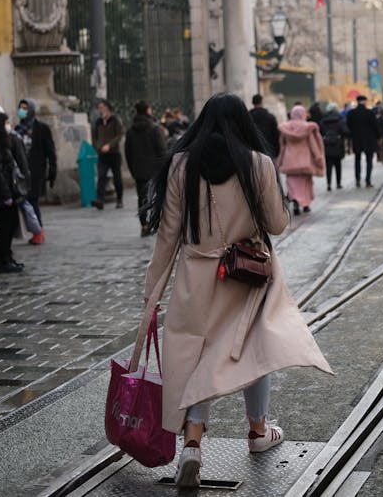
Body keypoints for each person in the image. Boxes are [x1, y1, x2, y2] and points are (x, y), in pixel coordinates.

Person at [141, 93, 331, 488]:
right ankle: (258, 431)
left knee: (197, 356)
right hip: (244, 275)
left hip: (195, 277)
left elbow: (167, 234)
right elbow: (278, 224)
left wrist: (153, 289)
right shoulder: (257, 163)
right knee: (253, 348)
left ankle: (192, 443)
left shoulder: (181, 164)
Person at [0, 112, 29, 273]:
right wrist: (6, 195)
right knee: (6, 226)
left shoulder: (3, 141)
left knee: (11, 223)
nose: (8, 125)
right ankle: (3, 260)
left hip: (8, 189)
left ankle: (8, 257)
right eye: (6, 122)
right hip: (1, 191)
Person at [15, 99, 57, 244]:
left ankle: (38, 231)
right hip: (22, 172)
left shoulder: (42, 128)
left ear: (31, 110)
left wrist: (52, 169)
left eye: (25, 108)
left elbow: (50, 151)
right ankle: (35, 230)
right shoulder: (17, 129)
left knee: (32, 200)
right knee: (24, 201)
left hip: (36, 171)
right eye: (20, 108)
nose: (22, 111)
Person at [124, 100, 166, 236]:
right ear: (148, 111)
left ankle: (144, 224)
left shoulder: (130, 131)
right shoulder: (154, 129)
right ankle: (156, 222)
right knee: (156, 197)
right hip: (154, 170)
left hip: (138, 170)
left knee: (141, 197)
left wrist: (133, 170)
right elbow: (161, 150)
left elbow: (128, 153)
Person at [278, 104, 325, 215]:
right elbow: (313, 145)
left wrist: (280, 161)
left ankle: (294, 201)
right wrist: (318, 159)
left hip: (290, 162)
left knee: (292, 183)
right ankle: (306, 204)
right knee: (305, 184)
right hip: (305, 161)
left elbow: (282, 145)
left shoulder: (286, 128)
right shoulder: (308, 128)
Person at [91, 99, 124, 210]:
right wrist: (98, 147)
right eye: (99, 108)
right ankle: (100, 199)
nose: (100, 110)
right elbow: (95, 137)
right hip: (102, 154)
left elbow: (119, 135)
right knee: (101, 176)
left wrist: (109, 145)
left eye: (102, 107)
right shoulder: (98, 122)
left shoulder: (115, 120)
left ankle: (119, 199)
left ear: (107, 108)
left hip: (114, 153)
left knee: (117, 177)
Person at [346, 95, 380, 188]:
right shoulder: (370, 113)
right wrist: (378, 137)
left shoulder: (351, 113)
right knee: (369, 161)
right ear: (365, 101)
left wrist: (350, 138)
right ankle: (368, 181)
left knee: (357, 160)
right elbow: (375, 126)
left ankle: (357, 180)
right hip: (369, 140)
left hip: (356, 140)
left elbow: (348, 127)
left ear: (357, 102)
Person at [319, 102, 349, 191]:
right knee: (338, 165)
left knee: (328, 165)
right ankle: (338, 183)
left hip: (327, 144)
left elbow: (320, 131)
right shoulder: (339, 120)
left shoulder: (323, 120)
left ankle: (328, 184)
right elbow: (345, 131)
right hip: (338, 144)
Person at [249, 93, 280, 158]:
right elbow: (275, 135)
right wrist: (276, 151)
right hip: (268, 150)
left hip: (252, 151)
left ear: (252, 102)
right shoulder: (270, 117)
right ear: (262, 102)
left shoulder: (247, 117)